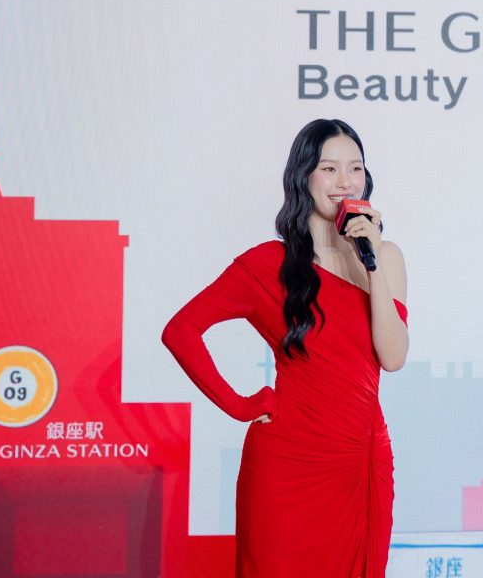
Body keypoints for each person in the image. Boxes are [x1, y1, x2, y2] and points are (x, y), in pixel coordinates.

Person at [161, 119, 409, 578]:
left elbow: (393, 358)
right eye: (329, 169)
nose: (345, 181)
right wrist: (240, 405)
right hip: (288, 466)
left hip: (361, 465)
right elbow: (181, 330)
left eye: (355, 168)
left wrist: (370, 262)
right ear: (303, 177)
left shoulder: (386, 256)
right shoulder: (268, 265)